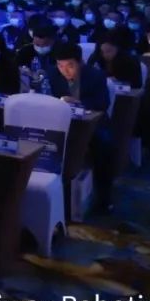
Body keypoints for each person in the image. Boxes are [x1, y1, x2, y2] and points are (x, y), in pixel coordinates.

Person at [48, 43, 114, 212]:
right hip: (62, 122)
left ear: (80, 62)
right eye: (60, 65)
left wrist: (78, 103)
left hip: (94, 122)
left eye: (70, 65)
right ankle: (59, 198)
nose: (65, 70)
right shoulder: (53, 74)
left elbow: (103, 103)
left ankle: (104, 198)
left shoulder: (95, 75)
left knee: (104, 145)